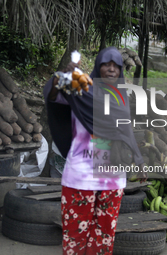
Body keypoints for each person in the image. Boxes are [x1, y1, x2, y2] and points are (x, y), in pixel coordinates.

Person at [44, 46, 147, 255]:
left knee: (104, 238)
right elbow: (53, 95)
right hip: (81, 176)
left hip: (113, 177)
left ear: (120, 70)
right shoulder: (79, 89)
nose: (111, 70)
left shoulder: (122, 97)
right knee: (75, 237)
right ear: (98, 67)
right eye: (105, 65)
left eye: (115, 66)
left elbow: (126, 132)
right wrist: (62, 76)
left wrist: (139, 160)